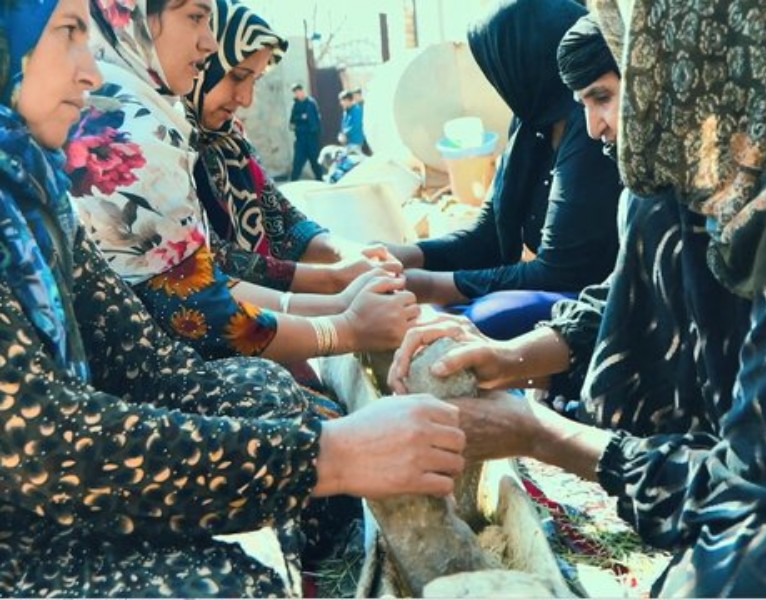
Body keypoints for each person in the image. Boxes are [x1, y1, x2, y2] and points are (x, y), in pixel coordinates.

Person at [0, 1, 467, 596]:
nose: (90, 71)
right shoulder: (124, 125)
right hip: (29, 519)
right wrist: (328, 445)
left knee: (270, 394)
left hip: (80, 459)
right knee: (230, 583)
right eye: (67, 31)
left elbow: (152, 351)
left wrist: (342, 281)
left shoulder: (32, 185)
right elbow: (52, 444)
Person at [391, 0, 766, 595]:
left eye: (610, 92)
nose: (594, 127)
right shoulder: (703, 187)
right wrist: (512, 357)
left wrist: (538, 434)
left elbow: (758, 494)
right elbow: (617, 295)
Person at [66, 0, 418, 370]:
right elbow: (200, 302)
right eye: (196, 17)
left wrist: (342, 278)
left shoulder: (187, 126)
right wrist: (343, 323)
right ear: (133, 16)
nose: (209, 43)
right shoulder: (130, 128)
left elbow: (279, 223)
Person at [384, 0, 622, 341]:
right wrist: (408, 256)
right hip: (551, 286)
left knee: (482, 317)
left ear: (528, 59)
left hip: (591, 299)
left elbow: (558, 272)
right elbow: (489, 235)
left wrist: (427, 283)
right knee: (439, 313)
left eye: (499, 64)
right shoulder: (531, 125)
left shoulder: (594, 133)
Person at [185, 1, 402, 301]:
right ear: (203, 59)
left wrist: (345, 250)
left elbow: (280, 218)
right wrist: (331, 281)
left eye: (254, 80)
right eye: (236, 75)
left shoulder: (231, 140)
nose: (246, 98)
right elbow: (206, 261)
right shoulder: (166, 143)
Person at [289, 82, 324, 181]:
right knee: (297, 164)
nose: (297, 94)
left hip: (312, 139)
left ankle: (320, 182)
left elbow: (315, 121)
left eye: (299, 91)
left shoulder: (311, 103)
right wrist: (302, 117)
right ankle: (292, 184)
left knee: (316, 163)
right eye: (295, 92)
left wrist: (317, 135)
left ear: (302, 91)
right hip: (300, 139)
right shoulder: (295, 105)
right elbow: (292, 123)